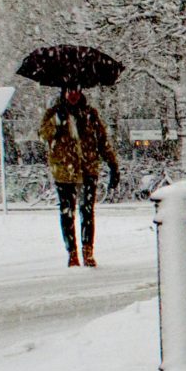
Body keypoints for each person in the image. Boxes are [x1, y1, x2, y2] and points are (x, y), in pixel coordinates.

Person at [39, 85, 119, 268]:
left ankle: (88, 251)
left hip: (87, 170)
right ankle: (72, 253)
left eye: (76, 90)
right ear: (64, 93)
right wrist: (56, 123)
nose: (73, 95)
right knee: (67, 213)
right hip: (64, 172)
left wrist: (112, 164)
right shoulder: (54, 113)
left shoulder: (90, 114)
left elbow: (102, 140)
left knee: (87, 212)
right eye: (69, 91)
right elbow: (43, 136)